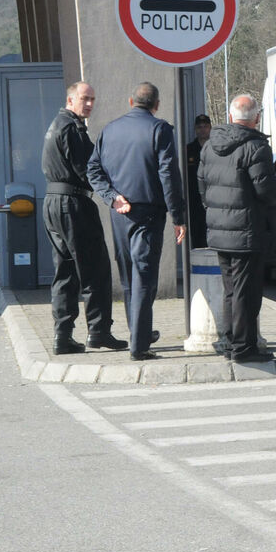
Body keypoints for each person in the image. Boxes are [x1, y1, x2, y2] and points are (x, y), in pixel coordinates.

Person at [88, 82, 186, 361]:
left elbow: (92, 169)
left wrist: (111, 197)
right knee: (144, 276)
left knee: (129, 275)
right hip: (149, 212)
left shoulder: (110, 129)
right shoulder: (160, 129)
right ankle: (140, 345)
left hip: (120, 211)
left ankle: (138, 333)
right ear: (156, 104)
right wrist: (178, 215)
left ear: (131, 102)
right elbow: (168, 174)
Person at [198, 94, 276, 363]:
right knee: (246, 293)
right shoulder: (256, 146)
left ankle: (230, 342)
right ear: (256, 118)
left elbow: (202, 184)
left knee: (231, 290)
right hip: (247, 230)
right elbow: (264, 189)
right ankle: (243, 348)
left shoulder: (209, 145)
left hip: (220, 229)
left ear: (230, 116)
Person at [40, 81, 127, 354]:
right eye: (84, 98)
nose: (89, 104)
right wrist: (112, 195)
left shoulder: (57, 124)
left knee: (64, 273)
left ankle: (62, 336)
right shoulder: (73, 128)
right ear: (70, 100)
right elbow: (88, 170)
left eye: (92, 99)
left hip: (53, 202)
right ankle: (99, 332)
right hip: (73, 203)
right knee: (95, 269)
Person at [186, 113, 212, 248]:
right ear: (195, 129)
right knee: (197, 235)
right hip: (195, 200)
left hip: (212, 197)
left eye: (205, 126)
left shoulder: (216, 148)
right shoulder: (188, 150)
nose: (202, 130)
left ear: (210, 128)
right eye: (199, 127)